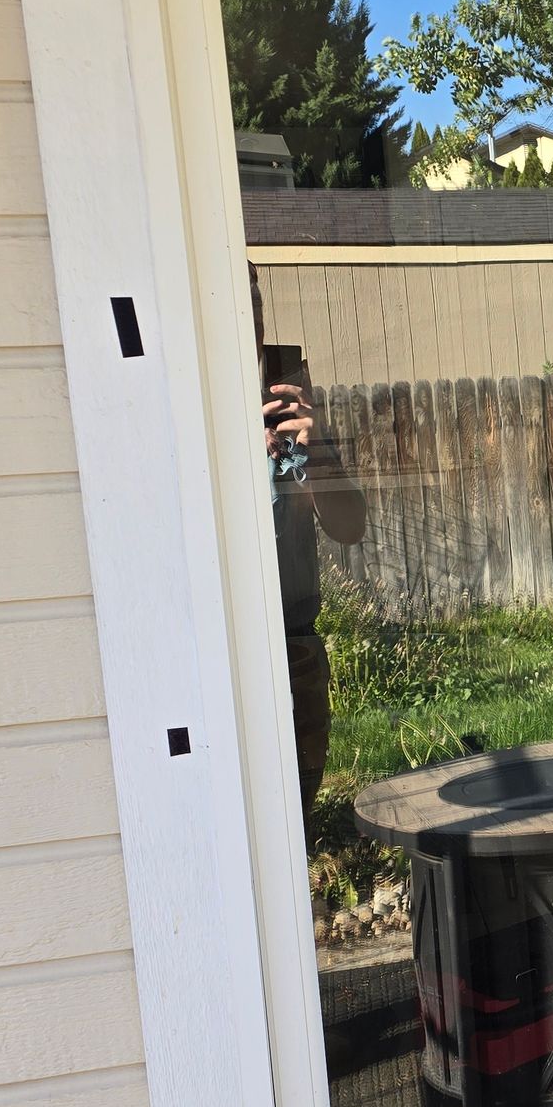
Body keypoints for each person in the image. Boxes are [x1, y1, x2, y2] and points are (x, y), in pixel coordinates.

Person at [250, 267, 366, 820]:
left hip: (294, 651)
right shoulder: (181, 404)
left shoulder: (289, 409)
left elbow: (349, 527)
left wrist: (313, 446)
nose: (246, 316)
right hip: (220, 656)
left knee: (294, 831)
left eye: (252, 302)